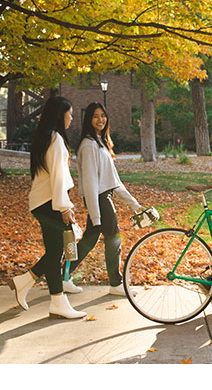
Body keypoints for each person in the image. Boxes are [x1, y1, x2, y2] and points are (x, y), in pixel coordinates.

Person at [9, 96, 86, 319]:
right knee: (56, 253)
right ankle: (56, 302)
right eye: (69, 114)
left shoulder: (48, 137)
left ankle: (25, 282)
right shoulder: (55, 141)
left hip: (45, 202)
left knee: (55, 252)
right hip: (49, 203)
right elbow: (58, 178)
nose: (71, 118)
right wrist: (64, 207)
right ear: (59, 115)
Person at [64, 102, 144, 296]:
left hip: (103, 196)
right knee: (113, 238)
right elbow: (90, 181)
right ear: (88, 120)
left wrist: (135, 205)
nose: (100, 119)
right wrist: (95, 213)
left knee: (89, 241)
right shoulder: (89, 145)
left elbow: (114, 181)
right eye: (95, 116)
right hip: (98, 199)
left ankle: (63, 276)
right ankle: (116, 284)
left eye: (103, 115)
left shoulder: (101, 142)